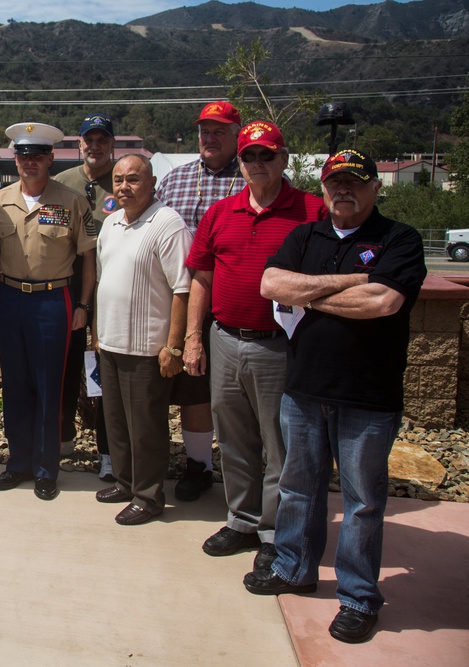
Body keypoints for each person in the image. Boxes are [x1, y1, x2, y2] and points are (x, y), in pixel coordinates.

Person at [243, 150, 426, 644]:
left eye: (354, 183)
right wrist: (354, 282)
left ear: (374, 189)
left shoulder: (400, 239)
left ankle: (359, 597)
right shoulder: (306, 235)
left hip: (367, 397)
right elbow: (271, 283)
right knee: (299, 489)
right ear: (323, 188)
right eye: (334, 183)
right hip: (303, 390)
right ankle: (294, 568)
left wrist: (310, 292)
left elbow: (384, 301)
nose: (343, 191)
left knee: (364, 502)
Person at [184, 120, 326, 568]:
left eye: (268, 155)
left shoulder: (310, 211)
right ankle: (242, 520)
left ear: (284, 159)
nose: (258, 163)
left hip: (280, 346)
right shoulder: (220, 213)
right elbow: (201, 278)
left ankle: (273, 531)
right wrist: (193, 338)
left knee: (279, 445)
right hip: (224, 338)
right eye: (250, 155)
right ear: (239, 162)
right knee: (234, 439)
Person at [0, 122, 96, 501]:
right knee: (15, 384)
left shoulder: (71, 201)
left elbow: (88, 259)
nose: (29, 162)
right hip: (11, 298)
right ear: (14, 158)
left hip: (54, 300)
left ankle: (47, 468)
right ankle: (18, 463)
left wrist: (83, 304)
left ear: (51, 158)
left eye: (37, 156)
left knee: (51, 385)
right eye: (22, 155)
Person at [94, 154, 192, 523]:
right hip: (112, 342)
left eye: (133, 179)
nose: (124, 187)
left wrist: (174, 345)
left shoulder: (167, 224)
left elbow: (182, 289)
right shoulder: (111, 223)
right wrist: (98, 333)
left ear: (151, 183)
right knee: (116, 423)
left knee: (146, 428)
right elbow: (105, 280)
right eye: (118, 180)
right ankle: (126, 482)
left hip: (148, 348)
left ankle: (148, 497)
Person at [157, 101, 244, 502]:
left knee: (206, 391)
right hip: (169, 298)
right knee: (168, 386)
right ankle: (171, 461)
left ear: (237, 135)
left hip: (222, 302)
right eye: (205, 131)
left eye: (220, 131)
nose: (210, 139)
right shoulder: (174, 179)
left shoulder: (248, 178)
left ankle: (210, 466)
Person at [54, 112, 116, 480]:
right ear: (79, 144)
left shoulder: (124, 182)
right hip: (70, 290)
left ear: (112, 143)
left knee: (104, 374)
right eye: (88, 140)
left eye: (102, 140)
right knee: (66, 366)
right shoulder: (62, 182)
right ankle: (63, 437)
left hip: (113, 293)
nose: (95, 146)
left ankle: (108, 450)